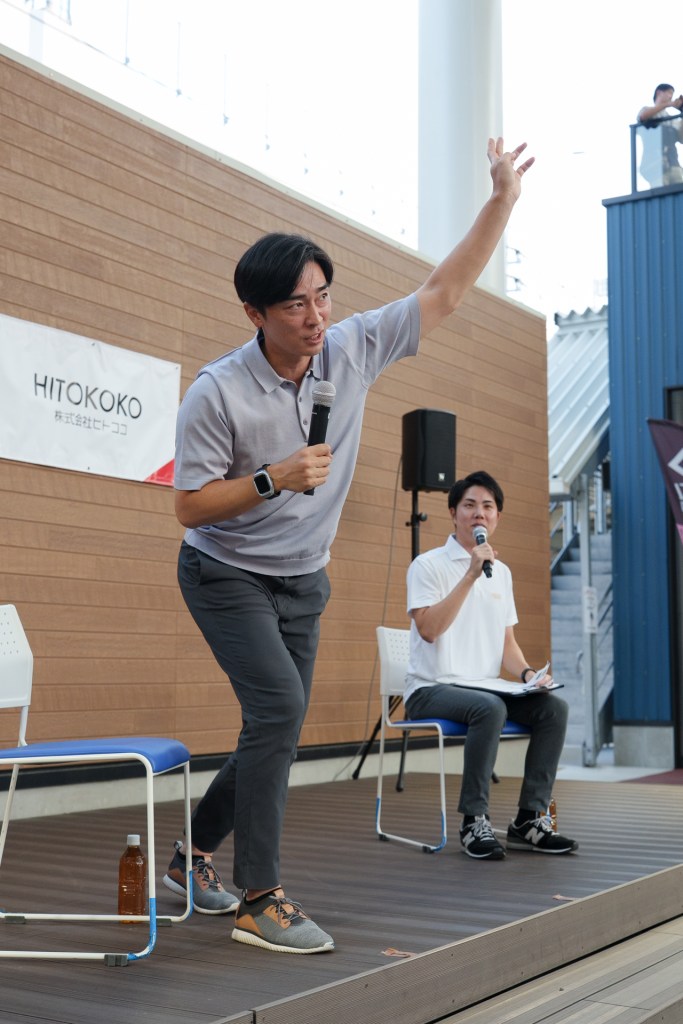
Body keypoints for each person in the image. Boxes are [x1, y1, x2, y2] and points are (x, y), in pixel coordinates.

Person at [163, 138, 535, 954]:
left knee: (276, 723)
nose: (315, 317)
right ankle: (261, 898)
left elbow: (444, 290)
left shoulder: (354, 347)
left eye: (322, 297)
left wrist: (501, 201)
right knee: (279, 711)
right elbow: (189, 505)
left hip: (304, 579)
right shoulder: (217, 392)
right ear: (255, 313)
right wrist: (272, 479)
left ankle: (189, 855)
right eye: (295, 305)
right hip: (225, 573)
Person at [405, 470, 578, 861]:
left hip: (485, 687)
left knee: (554, 709)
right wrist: (470, 573)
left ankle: (530, 819)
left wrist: (529, 675)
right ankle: (474, 820)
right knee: (490, 708)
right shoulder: (427, 565)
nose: (478, 513)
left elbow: (507, 645)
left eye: (487, 507)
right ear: (453, 513)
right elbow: (429, 630)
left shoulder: (502, 573)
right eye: (469, 505)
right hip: (430, 687)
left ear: (497, 517)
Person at [637, 83, 683, 187]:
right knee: (660, 191)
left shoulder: (672, 120)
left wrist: (682, 111)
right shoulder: (647, 109)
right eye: (669, 93)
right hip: (655, 165)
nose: (671, 97)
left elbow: (681, 139)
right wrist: (668, 104)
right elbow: (643, 117)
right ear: (659, 93)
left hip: (673, 164)